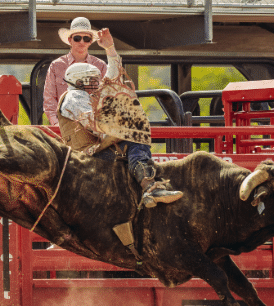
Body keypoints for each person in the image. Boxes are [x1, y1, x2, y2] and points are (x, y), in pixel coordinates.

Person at [57, 28, 182, 209]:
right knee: (134, 140)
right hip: (85, 154)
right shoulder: (75, 98)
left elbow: (112, 78)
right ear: (78, 81)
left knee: (132, 136)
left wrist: (110, 49)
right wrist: (121, 129)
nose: (97, 83)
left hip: (93, 148)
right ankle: (149, 187)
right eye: (92, 80)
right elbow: (94, 126)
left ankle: (146, 188)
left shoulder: (83, 94)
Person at [42, 17, 108, 126]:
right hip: (64, 127)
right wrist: (58, 126)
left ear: (90, 41)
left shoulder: (100, 66)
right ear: (70, 40)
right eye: (77, 38)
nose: (82, 42)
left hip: (95, 128)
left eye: (86, 39)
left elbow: (107, 97)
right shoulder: (56, 66)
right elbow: (49, 101)